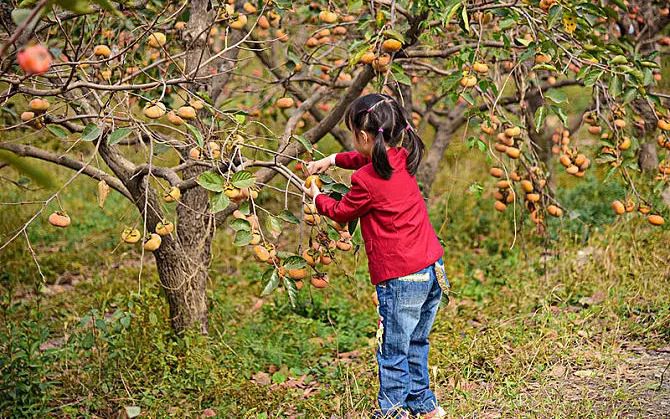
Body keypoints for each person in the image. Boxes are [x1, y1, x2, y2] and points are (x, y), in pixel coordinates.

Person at [305, 93, 449, 418]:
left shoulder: (365, 182)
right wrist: (332, 160)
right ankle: (425, 406)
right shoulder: (403, 154)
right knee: (416, 342)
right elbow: (370, 159)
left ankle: (392, 413)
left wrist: (317, 198)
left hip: (401, 279)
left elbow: (342, 211)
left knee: (392, 351)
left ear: (365, 137)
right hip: (432, 269)